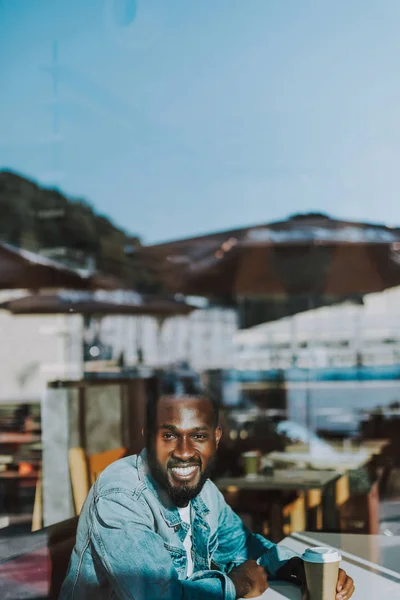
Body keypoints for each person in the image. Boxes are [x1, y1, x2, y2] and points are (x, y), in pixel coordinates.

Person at [59, 375, 355, 599]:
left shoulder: (203, 490)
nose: (185, 451)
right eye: (169, 436)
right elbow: (160, 596)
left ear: (216, 438)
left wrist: (297, 569)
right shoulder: (121, 496)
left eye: (198, 436)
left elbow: (241, 546)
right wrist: (238, 585)